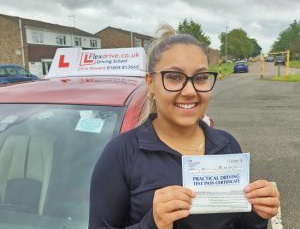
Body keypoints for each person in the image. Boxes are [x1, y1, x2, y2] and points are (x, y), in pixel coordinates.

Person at [89, 25, 280, 229]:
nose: (190, 91)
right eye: (174, 77)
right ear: (151, 83)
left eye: (200, 78)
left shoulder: (227, 145)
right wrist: (152, 224)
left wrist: (258, 214)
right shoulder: (121, 153)